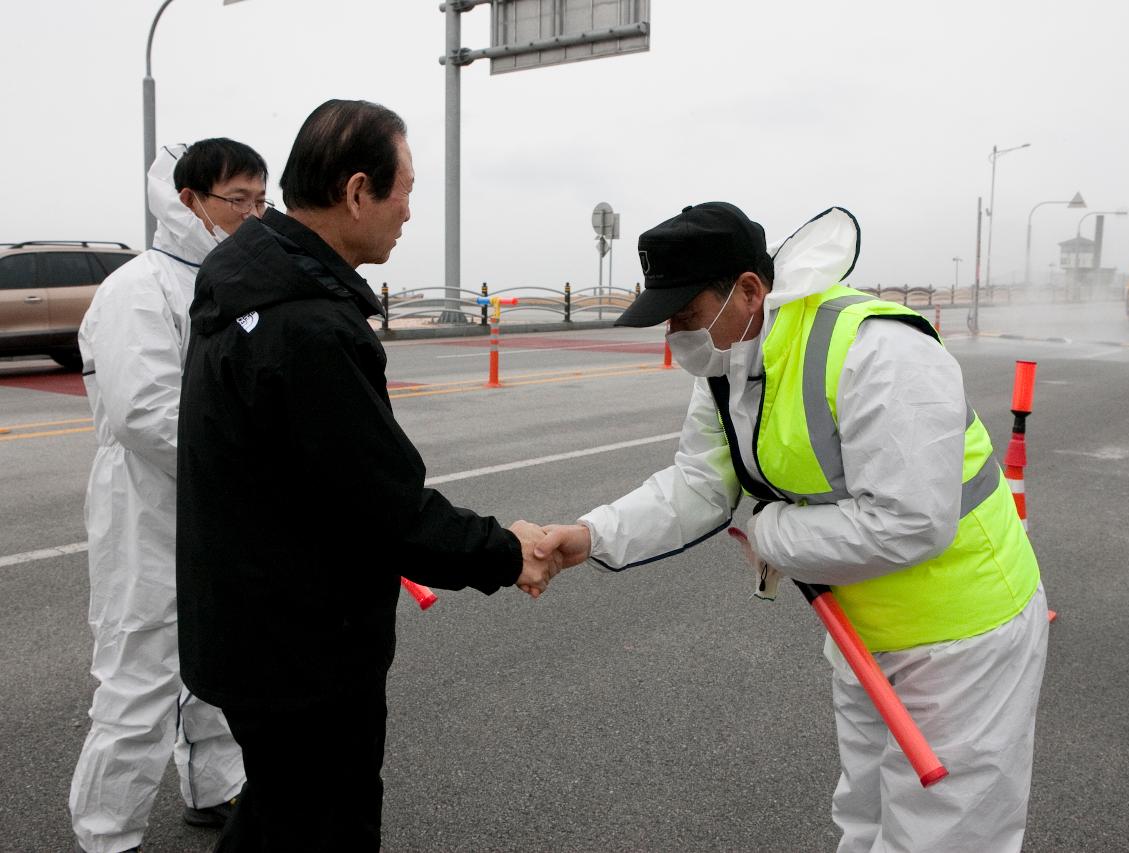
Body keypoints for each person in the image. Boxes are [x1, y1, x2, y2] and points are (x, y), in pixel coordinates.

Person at [536, 203, 1049, 852]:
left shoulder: (876, 349)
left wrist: (771, 534)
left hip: (963, 639)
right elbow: (698, 484)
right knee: (865, 823)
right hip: (862, 630)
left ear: (749, 290)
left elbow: (913, 523)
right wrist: (588, 536)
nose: (676, 334)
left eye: (685, 314)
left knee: (941, 839)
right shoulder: (727, 365)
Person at [174, 99, 555, 852]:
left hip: (248, 625)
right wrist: (511, 551)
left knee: (279, 813)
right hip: (303, 649)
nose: (410, 211)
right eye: (403, 189)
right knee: (323, 824)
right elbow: (385, 505)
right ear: (356, 192)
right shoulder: (306, 324)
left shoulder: (245, 286)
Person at [71, 138, 270, 853]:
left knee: (219, 652)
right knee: (141, 671)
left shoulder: (236, 283)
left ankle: (214, 785)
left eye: (260, 199)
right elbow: (145, 413)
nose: (251, 214)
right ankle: (106, 834)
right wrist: (251, 461)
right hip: (147, 506)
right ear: (187, 199)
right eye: (236, 199)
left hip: (221, 504)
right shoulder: (139, 288)